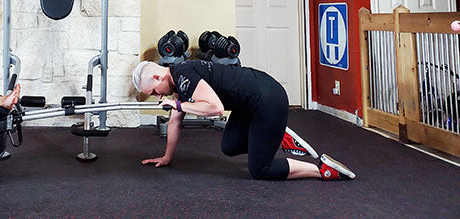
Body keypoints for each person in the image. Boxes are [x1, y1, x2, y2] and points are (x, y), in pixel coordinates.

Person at [133, 60, 355, 181]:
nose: (159, 96)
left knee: (261, 169)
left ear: (157, 77)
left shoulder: (184, 76)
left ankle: (322, 169)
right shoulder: (178, 79)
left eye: (154, 91)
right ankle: (277, 136)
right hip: (249, 103)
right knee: (230, 146)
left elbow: (216, 109)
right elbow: (174, 121)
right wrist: (166, 157)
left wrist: (179, 105)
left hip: (268, 99)